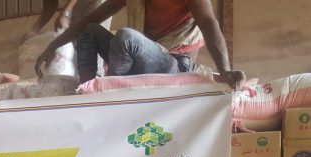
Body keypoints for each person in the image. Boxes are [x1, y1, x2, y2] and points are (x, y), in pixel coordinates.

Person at [35, 0, 246, 89]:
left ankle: (113, 95)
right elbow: (93, 17)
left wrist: (225, 70)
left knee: (126, 38)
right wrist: (54, 45)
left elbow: (209, 23)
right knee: (90, 31)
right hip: (139, 57)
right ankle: (88, 92)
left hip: (174, 64)